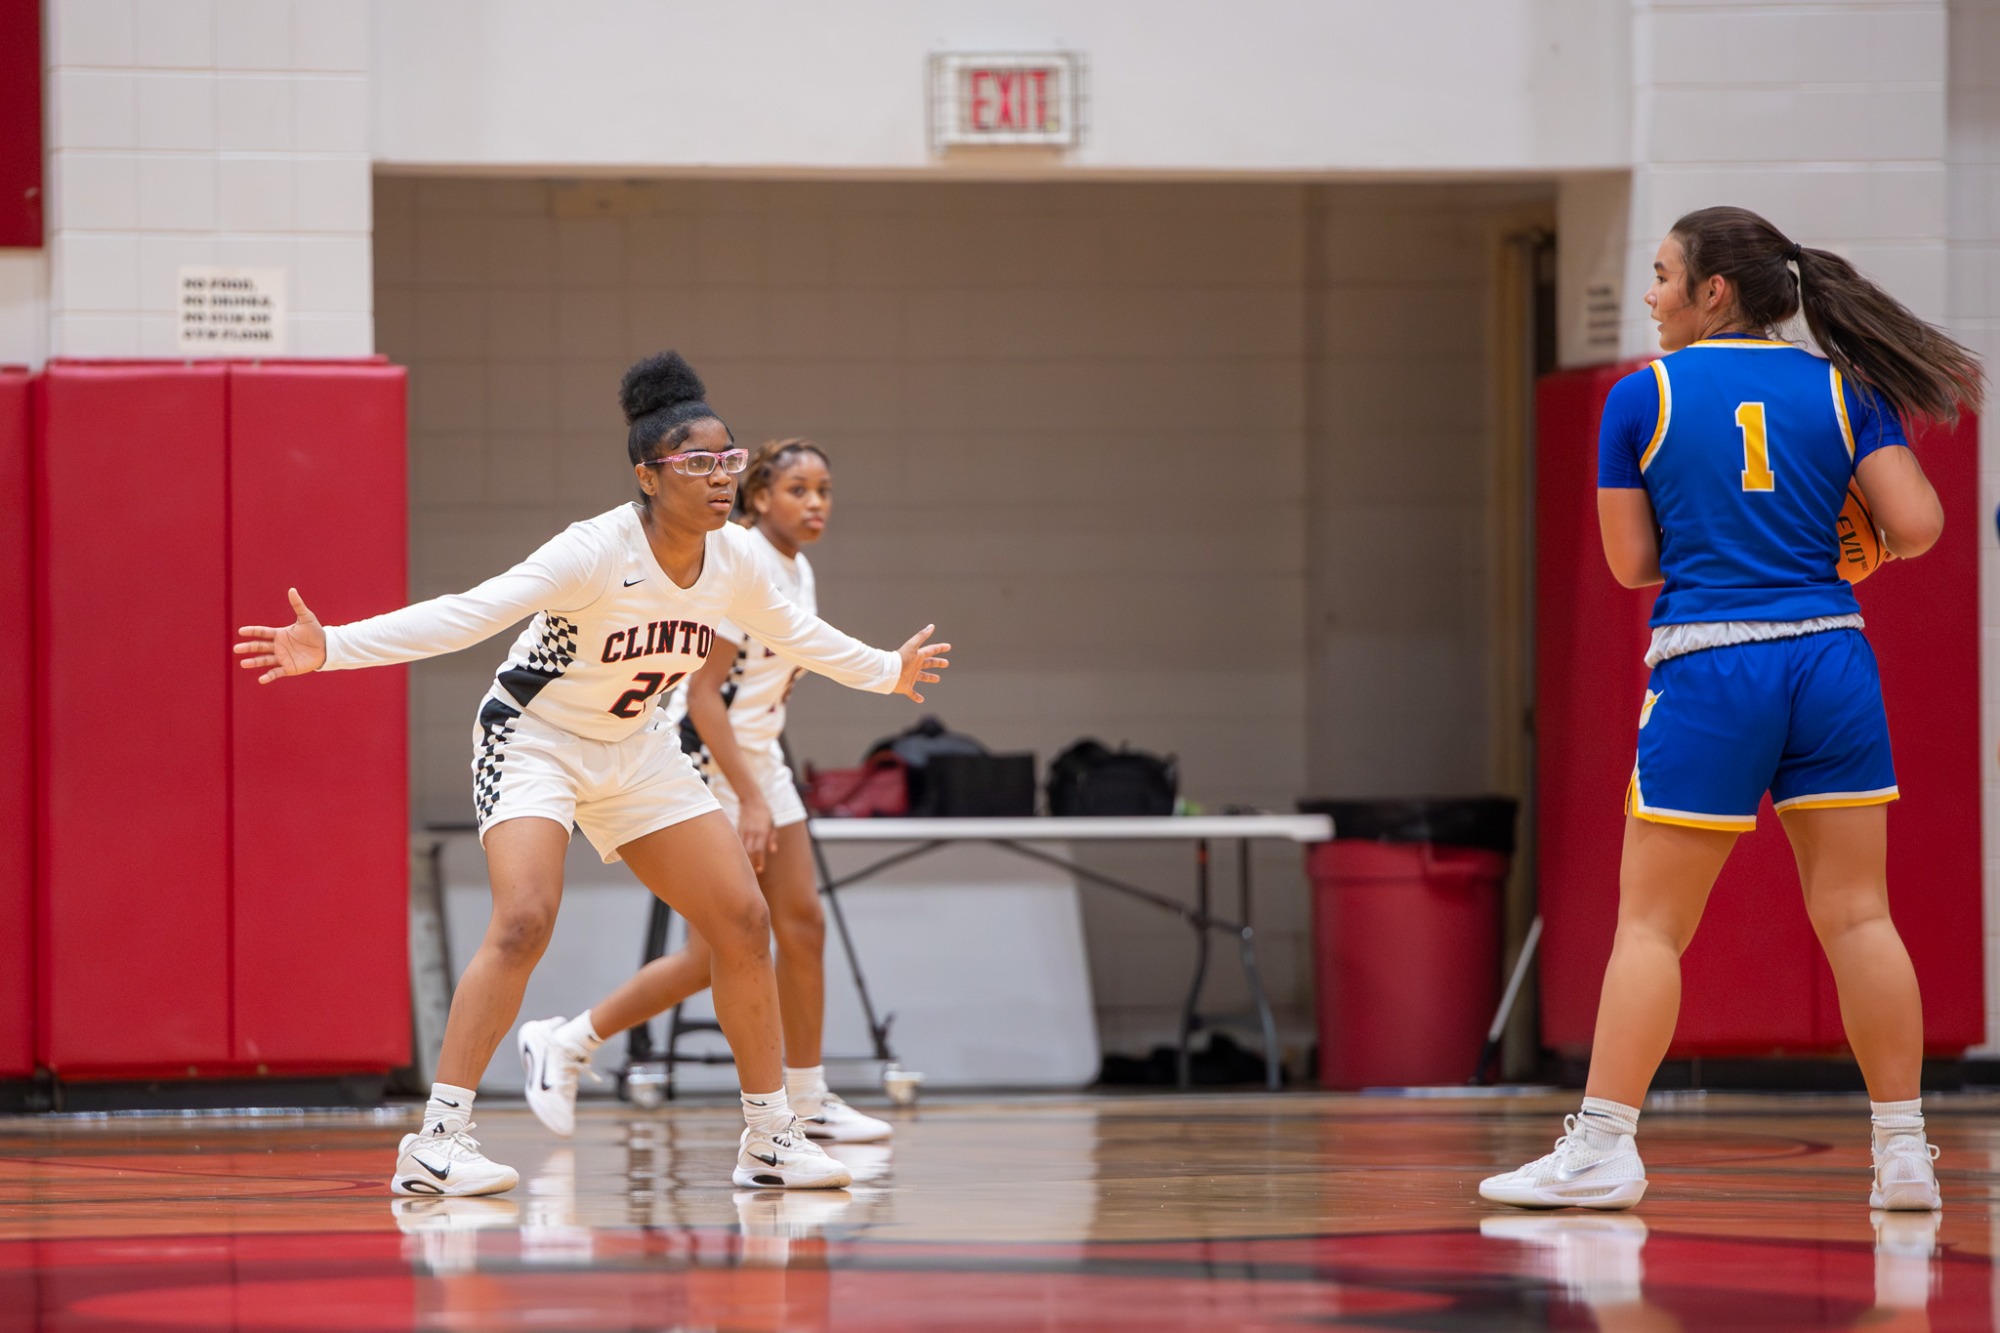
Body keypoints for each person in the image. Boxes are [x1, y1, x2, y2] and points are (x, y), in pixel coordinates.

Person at [234, 352, 950, 1196]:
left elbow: (795, 634)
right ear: (648, 474)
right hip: (534, 739)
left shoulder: (738, 561)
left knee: (742, 920)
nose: (721, 480)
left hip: (638, 748)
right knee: (525, 918)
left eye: (729, 462)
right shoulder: (595, 549)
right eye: (699, 464)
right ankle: (436, 1142)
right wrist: (337, 648)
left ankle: (770, 1134)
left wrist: (884, 670)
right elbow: (470, 613)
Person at [1479, 207, 1981, 1212]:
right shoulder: (1843, 388)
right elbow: (1919, 524)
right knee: (1858, 915)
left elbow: (1629, 564)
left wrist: (1722, 544)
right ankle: (1901, 1153)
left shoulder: (1639, 396)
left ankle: (1605, 1146)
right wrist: (1845, 549)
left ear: (1713, 292)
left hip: (1712, 663)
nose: (1651, 292)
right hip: (1830, 657)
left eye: (1663, 274)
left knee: (1650, 928)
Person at [518, 437, 893, 1144]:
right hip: (713, 763)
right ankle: (568, 1041)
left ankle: (808, 1098)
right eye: (797, 490)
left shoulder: (797, 567)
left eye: (824, 491)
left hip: (763, 759)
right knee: (711, 952)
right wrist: (748, 796)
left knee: (803, 925)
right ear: (758, 497)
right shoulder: (736, 561)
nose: (815, 504)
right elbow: (703, 694)